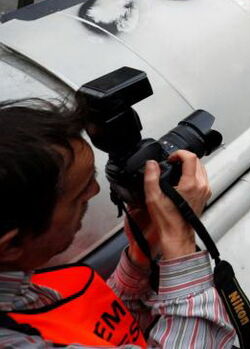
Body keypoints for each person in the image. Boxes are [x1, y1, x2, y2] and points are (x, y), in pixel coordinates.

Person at [0, 99, 236, 347]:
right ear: (11, 245)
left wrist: (139, 259)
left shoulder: (15, 285)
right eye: (80, 196)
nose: (95, 190)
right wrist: (180, 241)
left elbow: (90, 331)